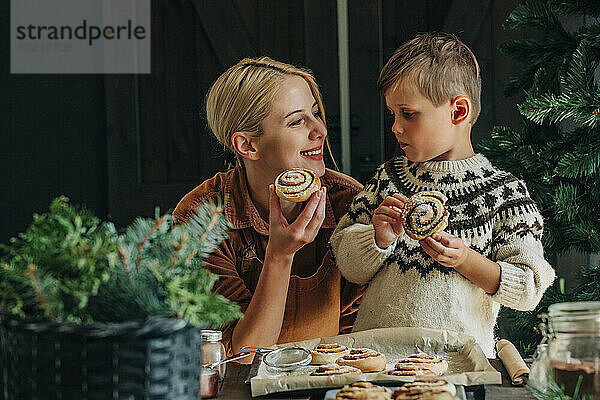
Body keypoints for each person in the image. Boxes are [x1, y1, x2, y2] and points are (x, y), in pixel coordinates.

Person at [330, 32, 555, 357]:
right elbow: (345, 262)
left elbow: (528, 288)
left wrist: (466, 260)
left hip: (457, 367)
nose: (395, 126)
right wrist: (377, 239)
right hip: (376, 361)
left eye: (408, 113)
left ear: (458, 112)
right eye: (393, 114)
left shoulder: (504, 194)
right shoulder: (387, 179)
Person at [173, 57, 364, 360]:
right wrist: (280, 255)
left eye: (315, 113)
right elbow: (241, 355)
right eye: (297, 121)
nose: (320, 130)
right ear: (247, 146)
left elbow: (358, 335)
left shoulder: (347, 202)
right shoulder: (200, 219)